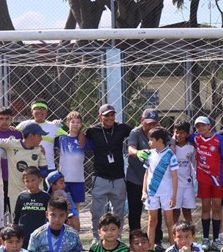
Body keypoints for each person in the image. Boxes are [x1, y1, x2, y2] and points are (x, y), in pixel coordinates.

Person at [86, 104, 133, 235]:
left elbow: (137, 133)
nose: (110, 118)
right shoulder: (92, 130)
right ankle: (97, 236)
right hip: (100, 176)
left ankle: (117, 237)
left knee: (119, 212)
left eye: (112, 115)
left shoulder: (121, 128)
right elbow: (81, 139)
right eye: (106, 115)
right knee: (97, 211)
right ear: (100, 116)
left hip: (118, 177)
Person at [191, 115, 223, 250]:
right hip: (203, 179)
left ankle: (216, 239)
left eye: (203, 125)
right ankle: (206, 238)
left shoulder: (219, 139)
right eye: (198, 126)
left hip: (217, 179)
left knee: (217, 207)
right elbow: (179, 136)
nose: (201, 128)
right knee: (205, 208)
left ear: (209, 126)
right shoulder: (195, 138)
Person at [126, 108, 162, 243]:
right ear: (142, 121)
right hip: (135, 178)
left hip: (154, 180)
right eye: (148, 123)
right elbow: (130, 148)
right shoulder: (135, 132)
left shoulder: (161, 133)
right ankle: (135, 240)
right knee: (135, 211)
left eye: (154, 123)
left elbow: (170, 145)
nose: (151, 126)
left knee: (156, 211)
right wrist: (138, 152)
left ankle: (156, 240)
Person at [141, 127, 178, 250]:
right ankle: (149, 249)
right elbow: (147, 173)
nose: (149, 142)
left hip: (167, 193)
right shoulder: (149, 154)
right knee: (152, 221)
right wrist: (144, 191)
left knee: (169, 221)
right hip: (152, 192)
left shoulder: (170, 155)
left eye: (151, 140)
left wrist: (174, 195)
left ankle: (173, 249)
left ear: (160, 140)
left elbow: (174, 177)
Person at [0, 122, 48, 208]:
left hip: (36, 194)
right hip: (16, 194)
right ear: (31, 136)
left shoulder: (39, 150)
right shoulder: (11, 144)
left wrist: (32, 179)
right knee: (17, 217)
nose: (41, 138)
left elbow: (44, 173)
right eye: (39, 135)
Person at [0, 106, 23, 214]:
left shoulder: (17, 134)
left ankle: (14, 224)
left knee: (14, 207)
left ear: (11, 119)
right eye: (1, 118)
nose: (4, 122)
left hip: (13, 176)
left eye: (7, 119)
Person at [17, 99, 64, 171]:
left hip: (49, 167)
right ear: (32, 111)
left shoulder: (54, 126)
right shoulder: (24, 124)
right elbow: (12, 134)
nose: (40, 111)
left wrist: (60, 125)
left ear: (47, 111)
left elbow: (69, 136)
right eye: (36, 108)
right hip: (29, 167)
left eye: (43, 109)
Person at [12, 166, 50, 248]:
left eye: (33, 180)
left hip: (40, 233)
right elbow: (17, 214)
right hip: (24, 233)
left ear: (40, 179)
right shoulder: (22, 196)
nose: (30, 184)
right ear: (23, 181)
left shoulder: (45, 196)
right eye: (27, 181)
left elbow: (49, 215)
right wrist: (15, 229)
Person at [56, 110, 86, 208]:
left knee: (76, 206)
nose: (75, 124)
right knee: (62, 205)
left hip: (78, 179)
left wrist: (82, 134)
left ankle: (76, 218)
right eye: (72, 122)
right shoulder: (61, 138)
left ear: (81, 124)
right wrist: (56, 124)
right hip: (63, 179)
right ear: (67, 123)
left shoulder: (84, 139)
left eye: (78, 122)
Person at [171, 121, 197, 225]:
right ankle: (174, 232)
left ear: (187, 134)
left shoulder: (191, 147)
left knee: (187, 211)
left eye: (182, 133)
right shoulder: (170, 147)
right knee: (175, 211)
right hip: (174, 185)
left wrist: (196, 181)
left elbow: (194, 165)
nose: (179, 135)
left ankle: (189, 231)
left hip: (187, 184)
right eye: (176, 132)